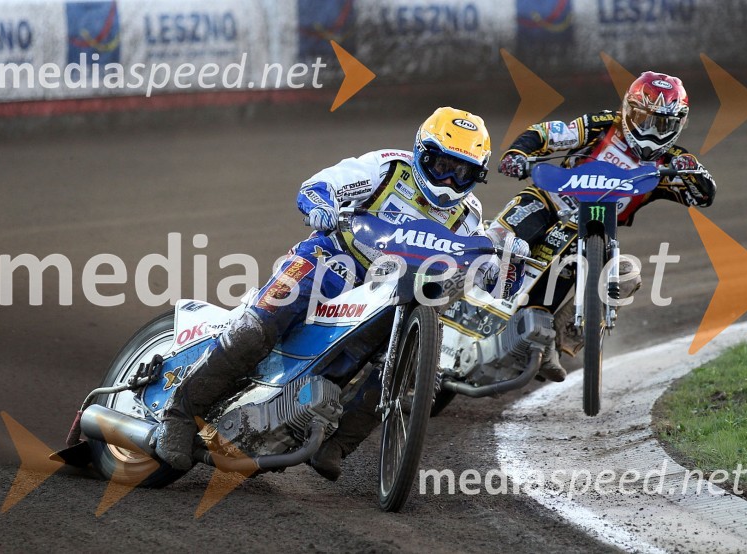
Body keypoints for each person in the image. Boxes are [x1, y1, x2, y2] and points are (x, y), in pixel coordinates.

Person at [155, 107, 529, 480]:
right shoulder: (387, 167)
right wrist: (320, 204)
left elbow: (491, 281)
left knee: (413, 366)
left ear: (477, 176)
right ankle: (179, 415)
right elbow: (323, 184)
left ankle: (336, 444)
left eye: (462, 172)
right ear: (421, 152)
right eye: (442, 165)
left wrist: (508, 264)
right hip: (330, 260)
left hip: (389, 293)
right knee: (258, 328)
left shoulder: (469, 216)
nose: (448, 179)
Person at [489, 71, 717, 382]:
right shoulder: (603, 124)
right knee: (502, 239)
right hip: (550, 201)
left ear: (678, 125)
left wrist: (693, 174)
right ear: (629, 111)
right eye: (645, 119)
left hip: (594, 228)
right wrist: (518, 153)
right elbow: (549, 133)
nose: (652, 131)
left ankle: (551, 337)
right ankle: (455, 289)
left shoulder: (672, 160)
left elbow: (703, 195)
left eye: (663, 124)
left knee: (625, 276)